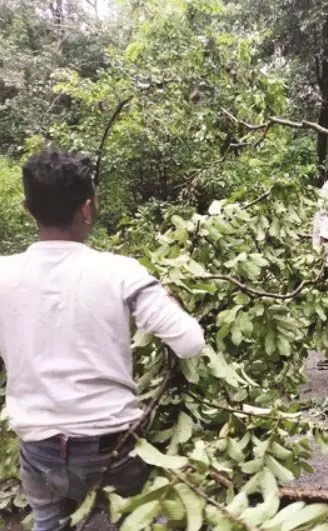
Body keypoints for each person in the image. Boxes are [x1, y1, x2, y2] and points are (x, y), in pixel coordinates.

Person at [0, 151, 206, 531]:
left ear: (28, 209)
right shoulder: (120, 273)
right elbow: (190, 343)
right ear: (89, 208)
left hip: (38, 450)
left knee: (48, 523)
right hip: (111, 449)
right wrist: (171, 303)